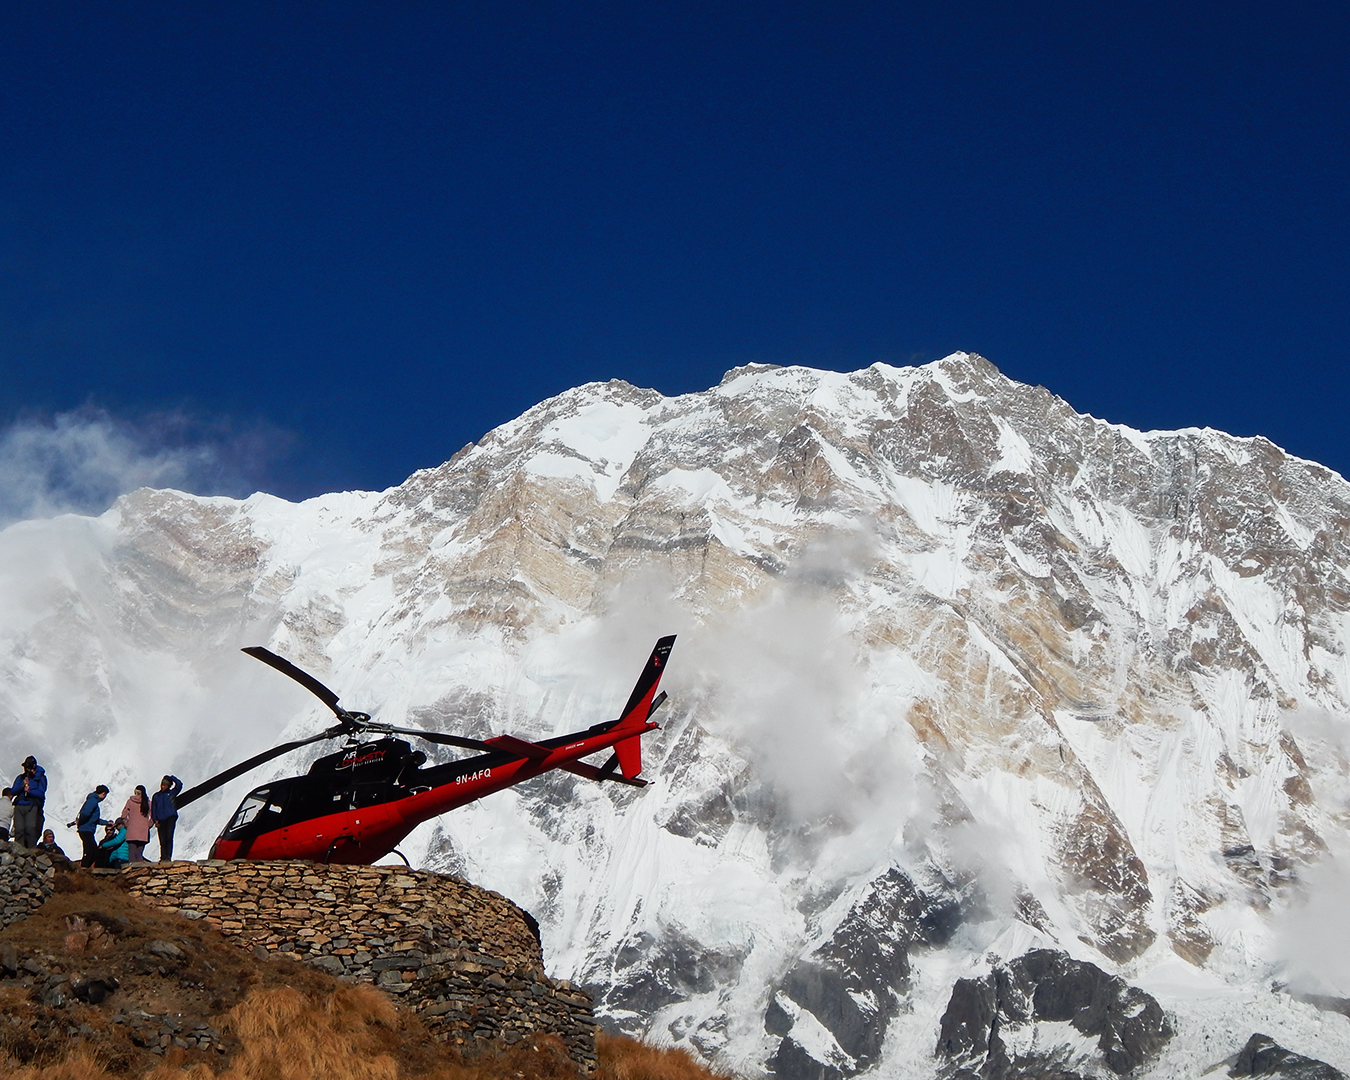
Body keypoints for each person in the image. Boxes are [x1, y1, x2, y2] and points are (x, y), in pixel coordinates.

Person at [3, 756, 47, 848]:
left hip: (32, 805)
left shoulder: (40, 778)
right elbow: (14, 791)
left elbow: (41, 793)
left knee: (30, 828)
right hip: (19, 805)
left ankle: (31, 850)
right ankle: (19, 849)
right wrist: (22, 785)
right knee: (19, 829)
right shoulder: (20, 778)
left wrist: (30, 791)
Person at [74, 785, 112, 867]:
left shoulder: (92, 800)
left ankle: (85, 868)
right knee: (91, 851)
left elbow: (94, 819)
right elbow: (85, 813)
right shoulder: (93, 801)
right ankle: (84, 869)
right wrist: (81, 822)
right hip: (86, 829)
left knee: (91, 850)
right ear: (103, 794)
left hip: (87, 829)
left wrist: (106, 823)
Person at [150, 774, 183, 862]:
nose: (162, 786)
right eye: (162, 784)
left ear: (168, 785)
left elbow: (179, 785)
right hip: (160, 819)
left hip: (170, 818)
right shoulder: (156, 796)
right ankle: (163, 856)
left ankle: (168, 856)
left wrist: (172, 777)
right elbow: (153, 809)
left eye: (165, 784)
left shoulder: (171, 793)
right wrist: (155, 819)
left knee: (169, 837)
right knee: (162, 839)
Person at [121, 784, 152, 862]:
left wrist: (127, 824)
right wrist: (148, 825)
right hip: (143, 831)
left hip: (132, 830)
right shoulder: (148, 803)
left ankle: (132, 869)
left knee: (132, 851)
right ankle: (139, 870)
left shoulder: (130, 801)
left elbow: (124, 814)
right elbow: (153, 816)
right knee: (139, 853)